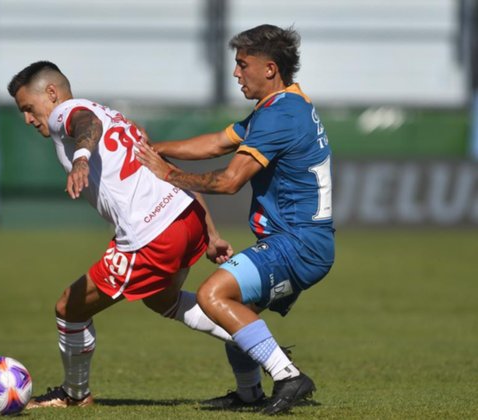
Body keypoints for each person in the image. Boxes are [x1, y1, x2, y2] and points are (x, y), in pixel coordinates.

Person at [6, 61, 235, 409]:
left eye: (28, 108)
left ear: (51, 93)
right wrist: (211, 230)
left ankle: (74, 394)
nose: (28, 119)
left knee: (69, 308)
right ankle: (256, 340)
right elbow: (160, 164)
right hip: (186, 214)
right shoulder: (113, 115)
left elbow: (85, 124)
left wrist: (81, 158)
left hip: (153, 234)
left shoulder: (66, 112)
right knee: (163, 300)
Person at [136, 24, 334, 415]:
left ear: (270, 69)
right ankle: (248, 394)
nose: (236, 73)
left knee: (213, 295)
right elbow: (217, 142)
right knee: (238, 316)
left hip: (298, 243)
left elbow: (228, 181)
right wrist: (154, 149)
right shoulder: (285, 105)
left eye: (243, 65)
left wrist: (168, 174)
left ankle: (289, 376)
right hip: (303, 241)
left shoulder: (279, 117)